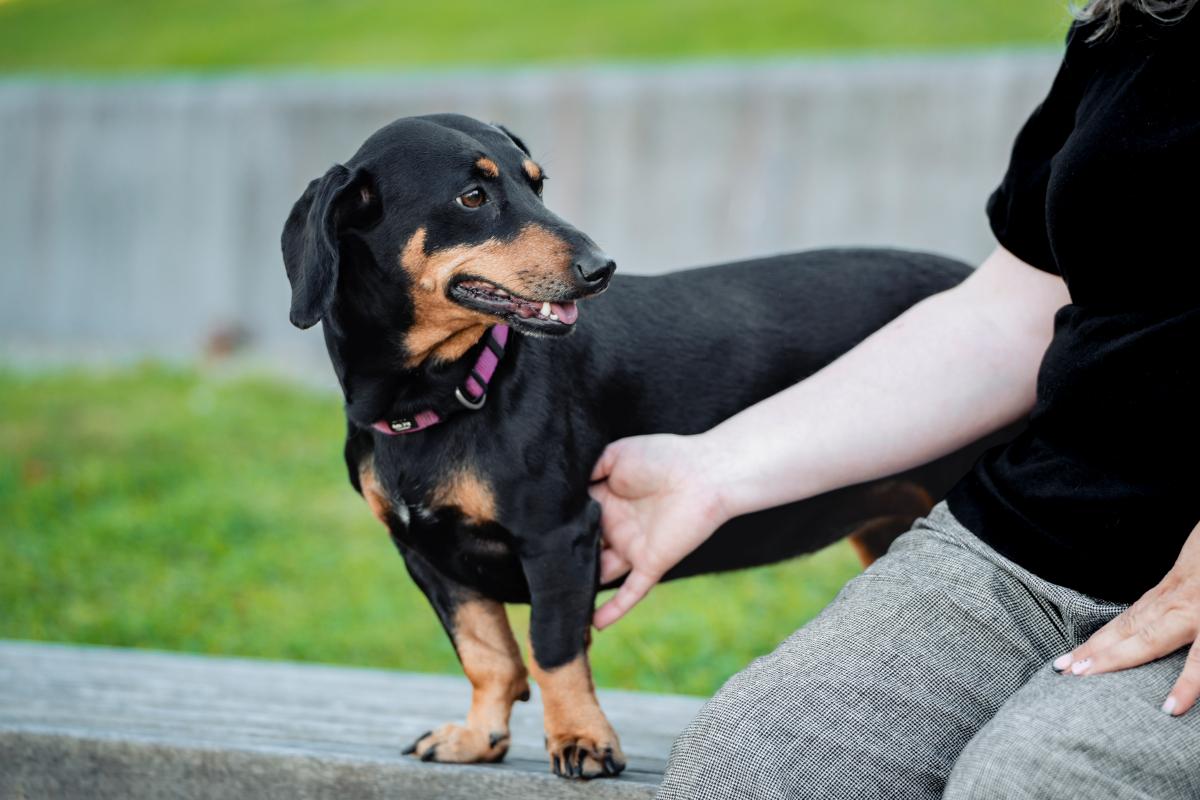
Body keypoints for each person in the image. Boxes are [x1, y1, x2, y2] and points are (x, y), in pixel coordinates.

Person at [587, 1, 1200, 797]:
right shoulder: (1144, 20)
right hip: (1040, 539)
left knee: (1037, 782)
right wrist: (715, 468)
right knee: (755, 762)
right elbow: (1008, 315)